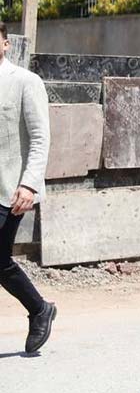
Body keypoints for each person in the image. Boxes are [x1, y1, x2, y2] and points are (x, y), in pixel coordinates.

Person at [0, 21, 56, 354]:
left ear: (6, 44)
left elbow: (39, 137)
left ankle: (39, 309)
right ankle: (40, 309)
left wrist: (29, 184)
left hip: (10, 189)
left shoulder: (24, 82)